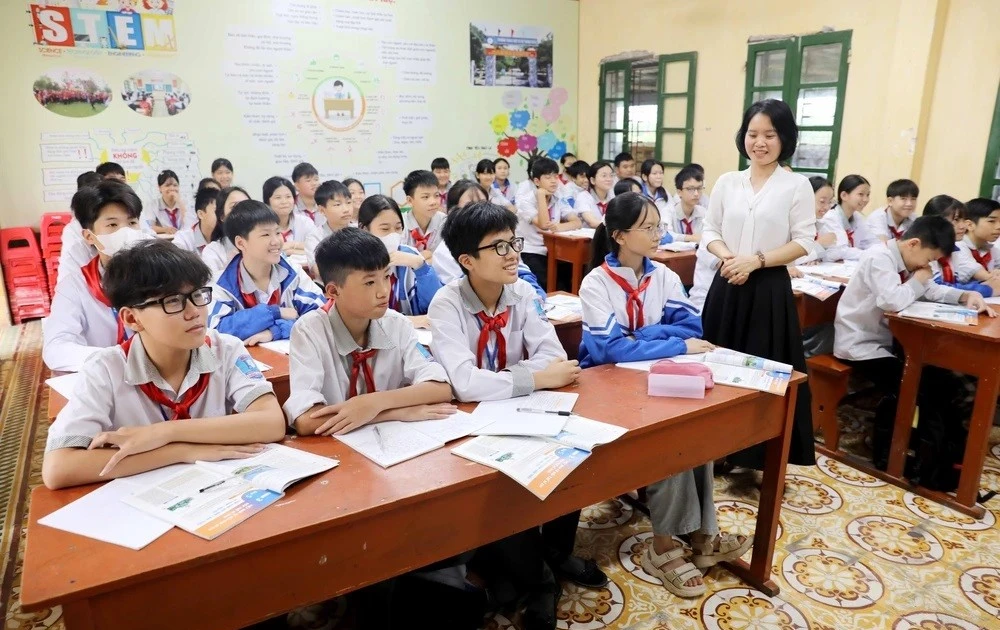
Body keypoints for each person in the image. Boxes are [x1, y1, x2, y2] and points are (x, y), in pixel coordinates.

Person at [428, 200, 608, 598]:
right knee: (508, 483)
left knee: (571, 455)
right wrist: (535, 378)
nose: (513, 255)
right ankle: (539, 581)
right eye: (499, 247)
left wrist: (509, 379)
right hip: (470, 422)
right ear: (467, 260)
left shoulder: (522, 292)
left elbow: (553, 355)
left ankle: (557, 553)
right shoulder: (446, 303)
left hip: (520, 409)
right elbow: (463, 384)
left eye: (514, 242)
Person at [577, 191, 749, 597]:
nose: (658, 235)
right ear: (619, 235)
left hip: (656, 377)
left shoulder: (665, 276)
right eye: (648, 228)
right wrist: (664, 339)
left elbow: (692, 329)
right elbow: (608, 351)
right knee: (669, 438)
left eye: (659, 226)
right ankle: (664, 545)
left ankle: (704, 538)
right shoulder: (596, 283)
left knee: (698, 435)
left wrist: (644, 335)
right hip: (606, 387)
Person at [41, 239, 286, 490]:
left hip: (216, 490)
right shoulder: (105, 370)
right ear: (132, 318)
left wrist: (164, 433)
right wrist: (179, 451)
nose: (194, 312)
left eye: (198, 295)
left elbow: (271, 422)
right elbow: (59, 468)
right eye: (173, 301)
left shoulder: (226, 349)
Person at [700, 99, 818, 469]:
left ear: (785, 138)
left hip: (767, 289)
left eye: (770, 134)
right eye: (753, 134)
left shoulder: (796, 185)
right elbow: (710, 230)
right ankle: (712, 447)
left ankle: (755, 452)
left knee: (760, 373)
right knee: (716, 368)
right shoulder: (727, 181)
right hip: (727, 282)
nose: (760, 142)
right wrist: (730, 257)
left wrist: (758, 260)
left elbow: (805, 240)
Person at [833, 216, 992, 470]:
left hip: (890, 343)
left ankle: (934, 450)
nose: (927, 266)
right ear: (913, 244)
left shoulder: (908, 259)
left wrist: (965, 295)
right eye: (928, 259)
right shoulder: (879, 258)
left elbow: (931, 289)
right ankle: (889, 455)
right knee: (916, 384)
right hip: (860, 346)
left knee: (938, 380)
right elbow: (892, 301)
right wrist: (918, 280)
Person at [43, 181, 152, 372]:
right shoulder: (75, 286)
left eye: (132, 223)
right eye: (112, 224)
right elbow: (56, 348)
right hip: (109, 377)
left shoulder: (159, 274)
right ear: (89, 236)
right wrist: (118, 359)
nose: (126, 232)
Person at [207, 201, 325, 345]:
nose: (276, 241)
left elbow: (320, 316)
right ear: (241, 243)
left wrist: (275, 331)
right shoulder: (223, 283)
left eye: (277, 232)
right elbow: (217, 329)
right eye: (265, 235)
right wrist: (275, 312)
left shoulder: (291, 272)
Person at [431, 182, 545, 297]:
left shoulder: (505, 239)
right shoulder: (444, 252)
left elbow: (522, 272)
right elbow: (460, 294)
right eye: (470, 206)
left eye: (483, 203)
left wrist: (536, 296)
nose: (479, 211)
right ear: (452, 212)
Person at [357, 195, 444, 324]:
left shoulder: (409, 255)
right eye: (385, 229)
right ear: (364, 229)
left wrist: (420, 266)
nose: (393, 234)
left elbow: (434, 305)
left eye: (398, 228)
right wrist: (409, 321)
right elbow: (361, 316)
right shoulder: (354, 261)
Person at [515, 157, 582, 289]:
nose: (553, 181)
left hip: (553, 249)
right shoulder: (525, 201)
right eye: (548, 177)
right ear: (537, 181)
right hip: (531, 250)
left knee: (569, 278)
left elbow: (576, 222)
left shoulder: (558, 197)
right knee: (546, 283)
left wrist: (558, 227)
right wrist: (540, 195)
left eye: (555, 177)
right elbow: (544, 225)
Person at [921, 195, 997, 297]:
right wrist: (987, 289)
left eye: (964, 220)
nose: (963, 226)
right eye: (956, 220)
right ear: (935, 221)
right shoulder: (923, 250)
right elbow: (935, 288)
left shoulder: (954, 250)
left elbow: (955, 285)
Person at [818, 175, 877, 261]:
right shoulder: (830, 217)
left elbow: (871, 241)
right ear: (844, 195)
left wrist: (878, 252)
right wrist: (870, 254)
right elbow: (841, 251)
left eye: (868, 195)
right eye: (861, 194)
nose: (865, 199)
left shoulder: (858, 217)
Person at [305, 180, 354, 270]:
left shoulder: (360, 231)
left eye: (348, 202)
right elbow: (317, 270)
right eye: (337, 204)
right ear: (322, 210)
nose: (346, 209)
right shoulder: (315, 238)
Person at [202, 186, 251, 277]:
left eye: (247, 205)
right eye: (234, 206)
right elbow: (211, 284)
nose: (243, 211)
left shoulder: (263, 241)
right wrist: (230, 267)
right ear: (222, 216)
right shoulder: (212, 251)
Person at [263, 176, 314, 256]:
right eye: (278, 197)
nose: (284, 201)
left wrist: (291, 247)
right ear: (267, 202)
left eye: (288, 197)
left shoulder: (304, 222)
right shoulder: (261, 226)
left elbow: (316, 248)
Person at [952, 197, 1000, 282]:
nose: (998, 227)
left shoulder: (992, 249)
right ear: (970, 225)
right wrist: (992, 277)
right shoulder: (958, 247)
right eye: (992, 221)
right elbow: (979, 274)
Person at [402, 170, 447, 258]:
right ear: (410, 201)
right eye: (425, 197)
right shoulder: (401, 225)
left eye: (436, 195)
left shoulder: (444, 221)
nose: (433, 202)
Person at [666, 165, 707, 243]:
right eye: (690, 189)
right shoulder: (668, 212)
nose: (696, 193)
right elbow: (665, 235)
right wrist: (691, 238)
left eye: (699, 188)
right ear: (679, 192)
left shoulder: (703, 212)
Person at [144, 169, 191, 235]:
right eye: (167, 185)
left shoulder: (184, 203)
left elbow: (190, 225)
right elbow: (149, 227)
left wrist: (180, 203)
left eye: (175, 185)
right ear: (159, 188)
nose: (172, 188)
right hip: (162, 242)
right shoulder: (152, 205)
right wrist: (165, 229)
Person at [173, 187, 218, 254]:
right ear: (201, 214)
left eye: (223, 212)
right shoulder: (184, 239)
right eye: (217, 211)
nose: (222, 216)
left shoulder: (227, 238)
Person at [576, 161, 615, 228]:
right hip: (588, 237)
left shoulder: (612, 196)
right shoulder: (583, 197)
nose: (609, 179)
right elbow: (592, 223)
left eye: (611, 175)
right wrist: (616, 227)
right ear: (592, 180)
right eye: (604, 176)